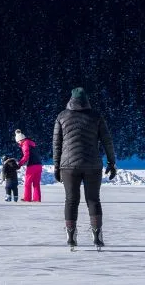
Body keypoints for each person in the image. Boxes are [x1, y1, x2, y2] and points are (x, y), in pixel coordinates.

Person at [53, 87, 116, 248]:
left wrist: (56, 166)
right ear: (86, 100)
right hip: (92, 165)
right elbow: (107, 140)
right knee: (93, 199)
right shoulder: (96, 116)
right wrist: (111, 162)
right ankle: (97, 235)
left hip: (68, 166)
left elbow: (57, 144)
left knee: (71, 200)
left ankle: (71, 236)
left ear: (71, 100)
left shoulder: (62, 116)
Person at [14, 129, 43, 202]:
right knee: (36, 184)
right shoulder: (31, 143)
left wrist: (19, 164)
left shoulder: (25, 144)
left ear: (20, 140)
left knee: (27, 183)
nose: (19, 144)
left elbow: (26, 156)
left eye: (18, 142)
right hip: (39, 165)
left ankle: (27, 198)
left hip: (32, 166)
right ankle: (37, 199)